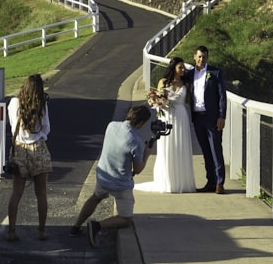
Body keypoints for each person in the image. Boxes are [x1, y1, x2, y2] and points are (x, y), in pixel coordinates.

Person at [70, 103, 151, 247]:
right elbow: (138, 169)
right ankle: (97, 226)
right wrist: (146, 154)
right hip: (120, 184)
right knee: (126, 218)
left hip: (103, 175)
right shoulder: (135, 141)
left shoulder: (111, 126)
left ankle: (76, 226)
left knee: (95, 198)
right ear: (141, 122)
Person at [136, 57, 196, 193]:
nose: (183, 70)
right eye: (180, 67)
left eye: (184, 68)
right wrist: (157, 102)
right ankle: (168, 181)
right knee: (167, 147)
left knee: (180, 146)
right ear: (173, 67)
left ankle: (181, 181)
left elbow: (188, 101)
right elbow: (156, 98)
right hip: (166, 116)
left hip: (181, 116)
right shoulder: (163, 82)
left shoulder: (185, 83)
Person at [5, 74, 52, 242]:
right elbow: (46, 128)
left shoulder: (14, 103)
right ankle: (41, 230)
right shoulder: (42, 104)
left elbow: (12, 125)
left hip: (19, 149)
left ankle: (11, 230)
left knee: (16, 192)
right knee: (41, 193)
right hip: (38, 148)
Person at [185, 45, 228, 193]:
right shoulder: (190, 74)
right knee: (205, 151)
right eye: (199, 56)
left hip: (212, 118)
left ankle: (219, 183)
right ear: (194, 57)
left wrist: (222, 116)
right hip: (197, 118)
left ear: (207, 58)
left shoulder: (215, 73)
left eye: (204, 57)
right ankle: (210, 181)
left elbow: (222, 96)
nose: (201, 59)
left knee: (216, 149)